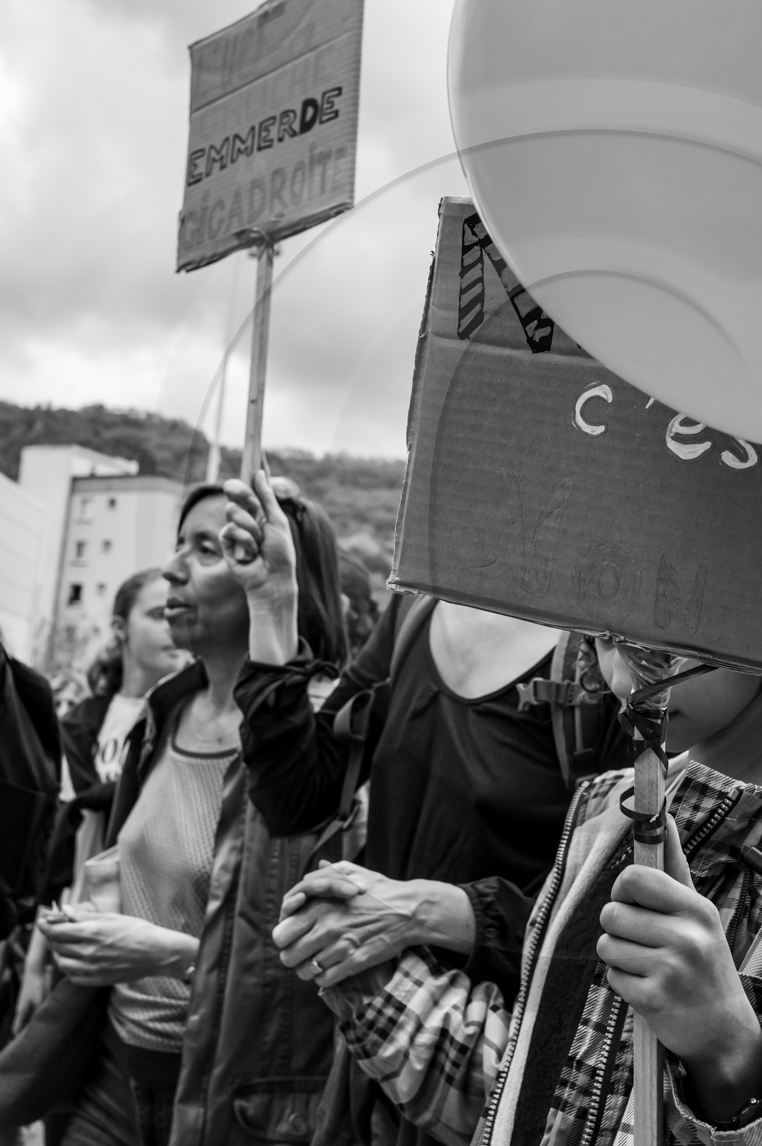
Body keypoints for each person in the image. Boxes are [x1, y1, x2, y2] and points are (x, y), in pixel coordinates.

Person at [275, 643, 762, 1146]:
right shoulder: (606, 811)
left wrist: (732, 1056)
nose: (627, 674)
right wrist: (367, 971)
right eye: (606, 633)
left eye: (669, 637)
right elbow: (543, 1096)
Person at [223, 477, 632, 1146]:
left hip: (496, 1076)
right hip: (374, 1053)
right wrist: (273, 603)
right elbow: (296, 797)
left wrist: (424, 911)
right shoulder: (416, 607)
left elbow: (606, 921)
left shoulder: (610, 657)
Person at [37, 477, 349, 1146]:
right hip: (111, 1070)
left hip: (226, 1097)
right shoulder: (166, 710)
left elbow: (318, 969)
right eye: (179, 543)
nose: (172, 567)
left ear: (273, 575)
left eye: (209, 548)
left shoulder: (320, 742)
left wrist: (171, 953)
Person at [14, 570, 189, 1035]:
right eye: (158, 614)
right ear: (119, 629)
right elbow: (61, 853)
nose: (173, 625)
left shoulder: (188, 723)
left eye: (177, 611)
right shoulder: (79, 724)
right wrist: (36, 961)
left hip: (149, 943)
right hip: (75, 931)